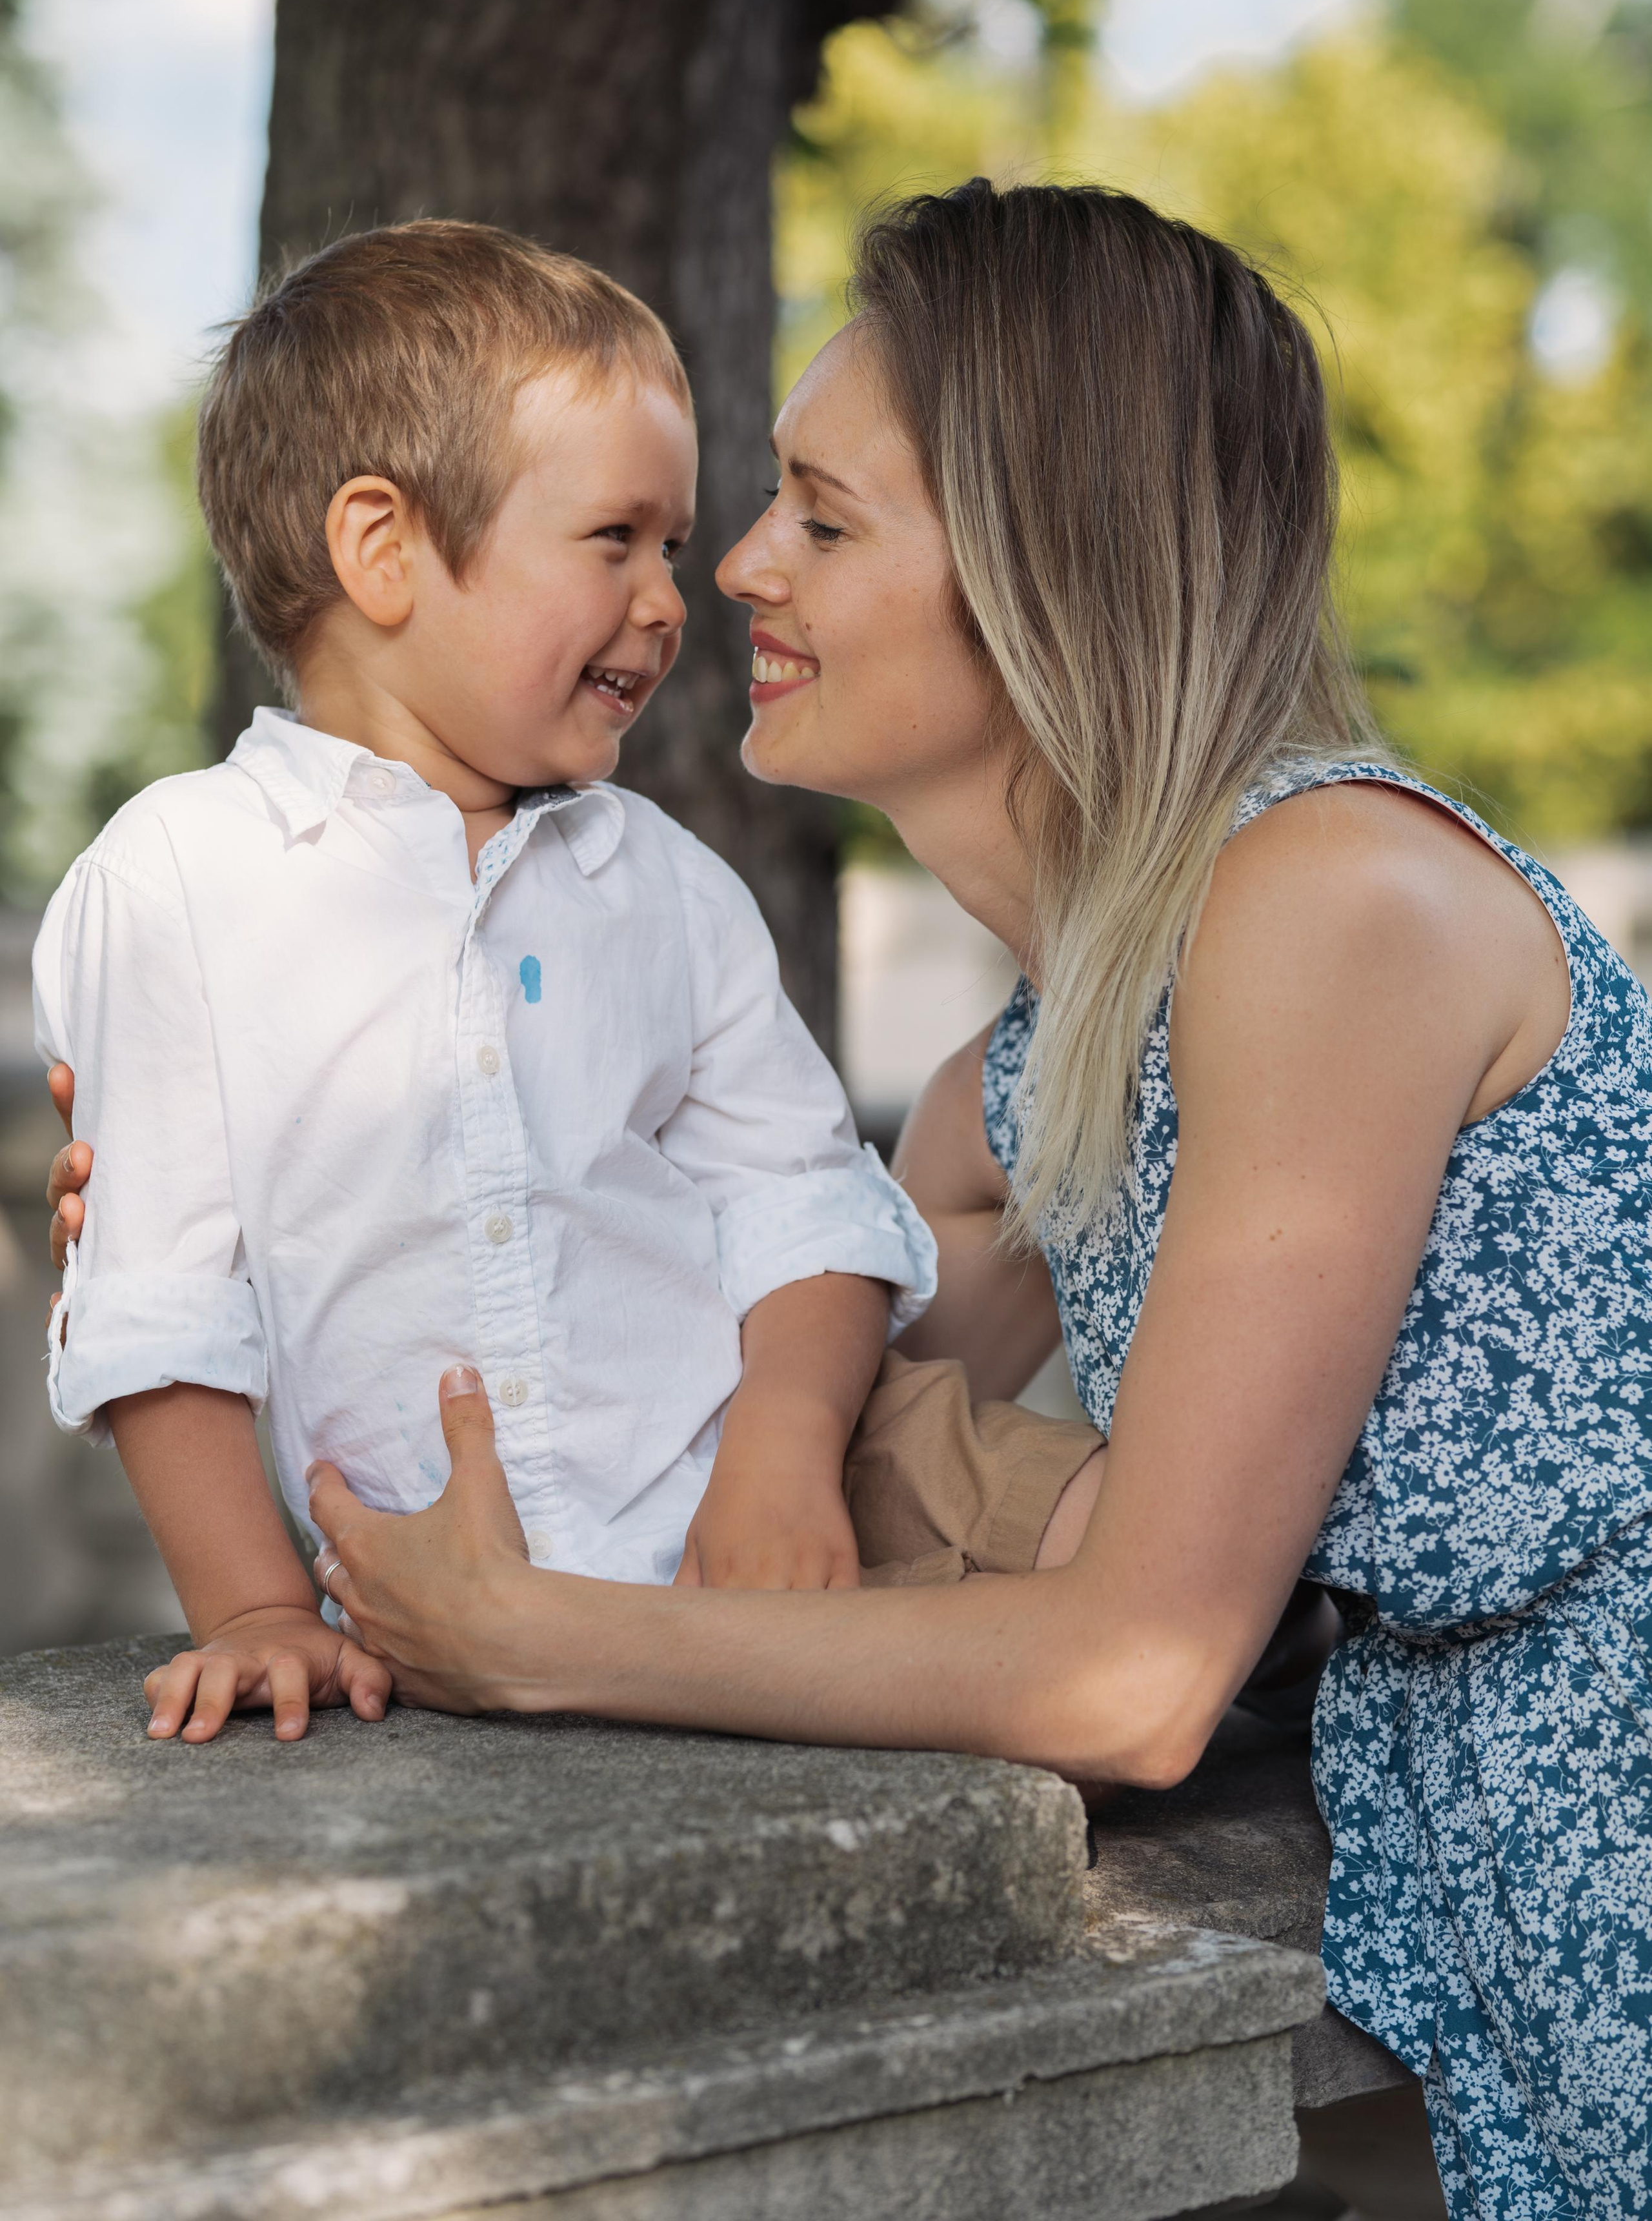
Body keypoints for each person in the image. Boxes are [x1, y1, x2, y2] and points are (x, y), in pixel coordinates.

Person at [51, 180, 1652, 2220]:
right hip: (1506, 1861)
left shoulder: (1328, 905)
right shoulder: (1056, 1049)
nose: (729, 568)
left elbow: (1131, 1671)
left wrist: (534, 1636)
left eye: (821, 512)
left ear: (1045, 558)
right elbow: (809, 1429)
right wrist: (265, 1162)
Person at [31, 219, 942, 1752]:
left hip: (762, 1562)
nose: (669, 597)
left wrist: (781, 1460)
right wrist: (254, 1612)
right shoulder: (175, 881)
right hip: (434, 1630)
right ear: (382, 549)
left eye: (669, 545)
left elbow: (803, 1200)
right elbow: (159, 1292)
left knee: (1102, 1528)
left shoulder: (661, 888)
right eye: (614, 539)